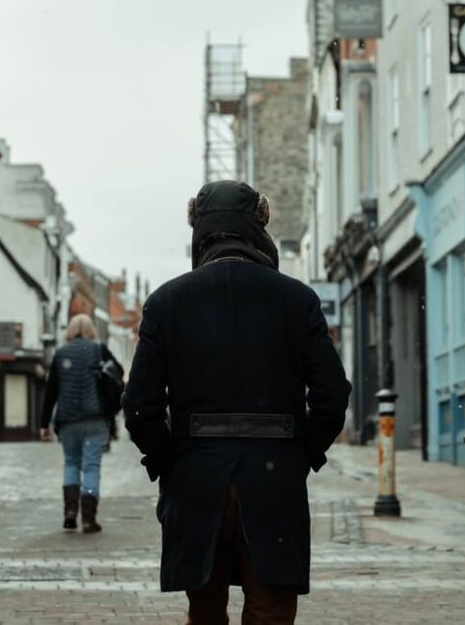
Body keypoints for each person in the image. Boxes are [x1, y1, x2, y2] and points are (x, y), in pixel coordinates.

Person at [123, 180, 351, 624]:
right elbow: (331, 395)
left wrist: (168, 458)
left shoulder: (166, 302)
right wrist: (300, 451)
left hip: (195, 479)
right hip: (274, 479)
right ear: (257, 227)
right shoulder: (297, 298)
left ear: (200, 230)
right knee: (271, 610)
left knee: (205, 611)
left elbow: (139, 405)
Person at [41, 313, 123, 534]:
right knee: (91, 466)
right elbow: (118, 373)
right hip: (94, 418)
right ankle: (88, 518)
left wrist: (43, 423)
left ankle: (69, 512)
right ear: (91, 329)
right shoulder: (98, 350)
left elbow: (51, 391)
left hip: (68, 420)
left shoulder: (61, 353)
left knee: (71, 463)